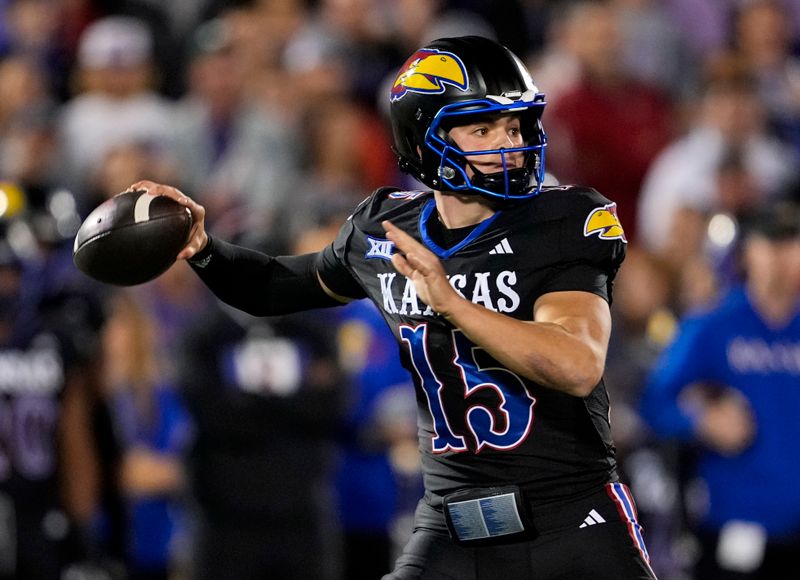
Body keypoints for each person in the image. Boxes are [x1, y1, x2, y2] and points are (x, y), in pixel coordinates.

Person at [129, 35, 656, 579]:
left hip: (573, 522)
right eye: (483, 128)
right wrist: (206, 250)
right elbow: (275, 287)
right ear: (427, 139)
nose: (511, 144)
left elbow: (576, 365)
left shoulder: (563, 222)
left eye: (516, 126)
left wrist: (452, 303)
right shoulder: (387, 230)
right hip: (450, 530)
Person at [640, 201, 800, 580]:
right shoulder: (714, 324)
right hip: (738, 523)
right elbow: (654, 402)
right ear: (748, 253)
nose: (781, 255)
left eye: (792, 242)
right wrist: (700, 418)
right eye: (770, 243)